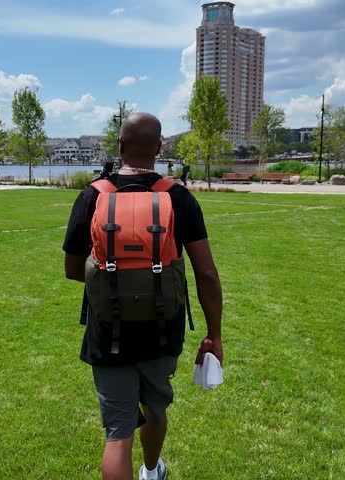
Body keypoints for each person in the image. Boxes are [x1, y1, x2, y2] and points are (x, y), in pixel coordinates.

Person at [63, 112, 223, 480]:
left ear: (120, 145)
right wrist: (214, 335)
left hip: (108, 329)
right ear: (159, 147)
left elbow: (72, 270)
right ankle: (151, 472)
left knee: (117, 433)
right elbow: (207, 274)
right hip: (162, 329)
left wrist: (114, 279)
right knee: (155, 409)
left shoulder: (93, 195)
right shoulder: (178, 197)